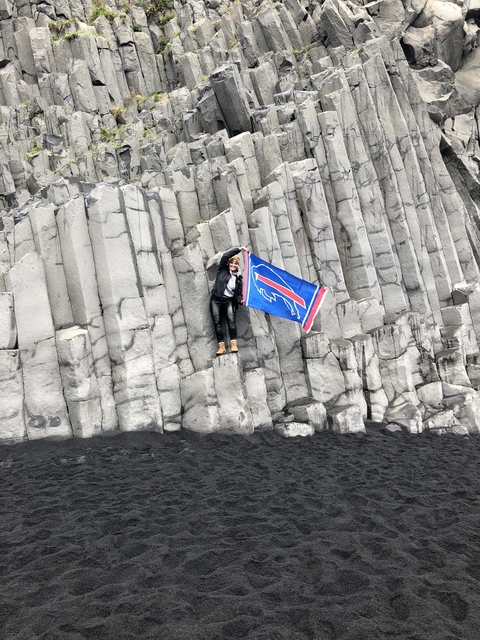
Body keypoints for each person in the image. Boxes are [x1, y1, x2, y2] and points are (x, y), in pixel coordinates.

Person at [210, 247, 246, 355]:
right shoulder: (222, 270)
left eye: (236, 264)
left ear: (238, 266)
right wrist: (238, 249)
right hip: (216, 300)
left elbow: (238, 294)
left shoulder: (238, 279)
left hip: (228, 301)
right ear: (229, 263)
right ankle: (221, 347)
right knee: (217, 323)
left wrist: (241, 301)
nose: (233, 265)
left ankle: (233, 344)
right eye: (232, 263)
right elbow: (225, 256)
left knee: (231, 321)